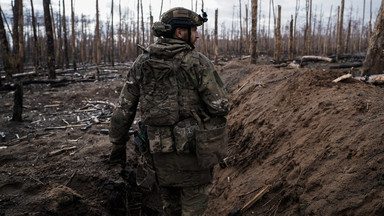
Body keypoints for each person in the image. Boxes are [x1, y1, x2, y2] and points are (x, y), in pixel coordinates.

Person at [109, 7, 229, 216]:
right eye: (194, 29)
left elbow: (123, 109)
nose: (198, 34)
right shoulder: (197, 62)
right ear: (179, 32)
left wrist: (117, 146)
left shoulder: (141, 63)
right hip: (194, 158)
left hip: (158, 157)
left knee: (170, 208)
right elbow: (220, 106)